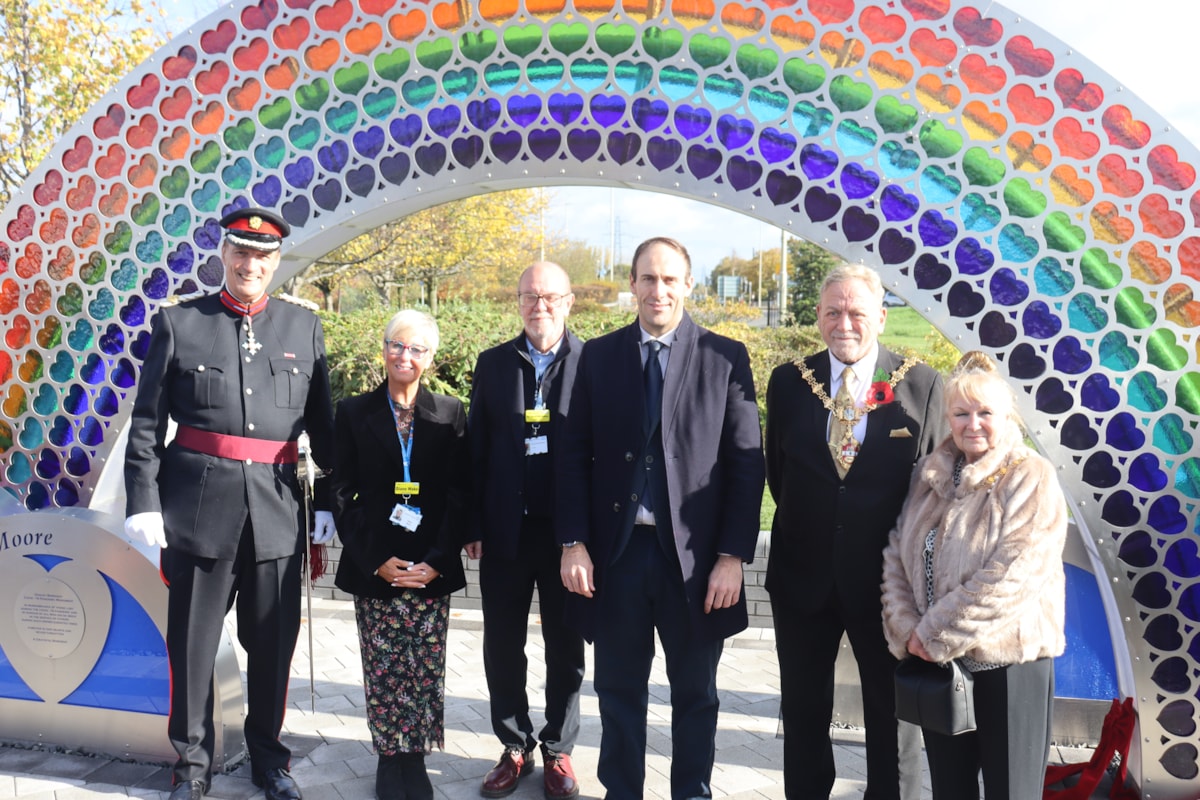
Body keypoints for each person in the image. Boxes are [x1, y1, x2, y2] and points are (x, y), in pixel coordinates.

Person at [124, 206, 337, 800]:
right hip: (197, 514)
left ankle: (269, 760)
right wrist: (143, 501)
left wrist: (327, 506)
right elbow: (147, 425)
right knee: (192, 649)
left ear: (276, 261)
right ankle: (192, 766)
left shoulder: (303, 328)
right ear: (224, 254)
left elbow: (323, 428)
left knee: (272, 647)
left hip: (277, 514)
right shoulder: (180, 323)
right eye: (241, 252)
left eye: (263, 256)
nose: (251, 264)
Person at [558, 236, 765, 800]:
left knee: (696, 695)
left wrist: (731, 557)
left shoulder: (725, 358)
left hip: (695, 565)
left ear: (688, 285)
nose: (659, 290)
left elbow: (748, 466)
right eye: (648, 278)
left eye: (670, 279)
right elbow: (572, 455)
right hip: (617, 558)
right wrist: (573, 542)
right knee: (618, 692)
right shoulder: (598, 356)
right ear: (632, 284)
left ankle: (692, 793)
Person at [764, 263, 945, 800]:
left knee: (892, 717)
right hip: (802, 579)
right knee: (802, 712)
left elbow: (933, 491)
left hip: (888, 588)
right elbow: (779, 474)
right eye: (833, 312)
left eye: (857, 312)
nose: (844, 323)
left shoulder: (920, 384)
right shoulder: (791, 382)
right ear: (819, 316)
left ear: (881, 317)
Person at [881, 351, 1067, 800]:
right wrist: (907, 630)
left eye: (985, 412)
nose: (973, 424)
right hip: (941, 668)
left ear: (1007, 415)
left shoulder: (1029, 476)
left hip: (1008, 668)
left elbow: (1014, 575)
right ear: (947, 418)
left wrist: (934, 633)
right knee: (950, 791)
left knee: (1011, 792)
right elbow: (896, 555)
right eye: (961, 413)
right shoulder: (931, 476)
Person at [331, 309, 468, 800]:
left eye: (416, 348)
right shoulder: (353, 412)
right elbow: (342, 491)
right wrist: (375, 558)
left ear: (430, 357)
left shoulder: (450, 413)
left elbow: (459, 492)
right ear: (384, 348)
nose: (404, 356)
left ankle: (417, 758)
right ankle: (390, 758)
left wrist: (438, 559)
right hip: (378, 564)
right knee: (384, 666)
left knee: (424, 666)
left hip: (431, 565)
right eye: (396, 345)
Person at [465, 263, 586, 799]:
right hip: (504, 533)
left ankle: (558, 748)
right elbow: (476, 448)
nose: (541, 306)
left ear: (569, 301)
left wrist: (589, 536)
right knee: (503, 644)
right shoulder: (493, 364)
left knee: (566, 646)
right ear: (517, 302)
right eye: (530, 296)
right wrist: (473, 523)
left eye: (550, 296)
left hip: (568, 538)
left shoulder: (592, 363)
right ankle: (514, 745)